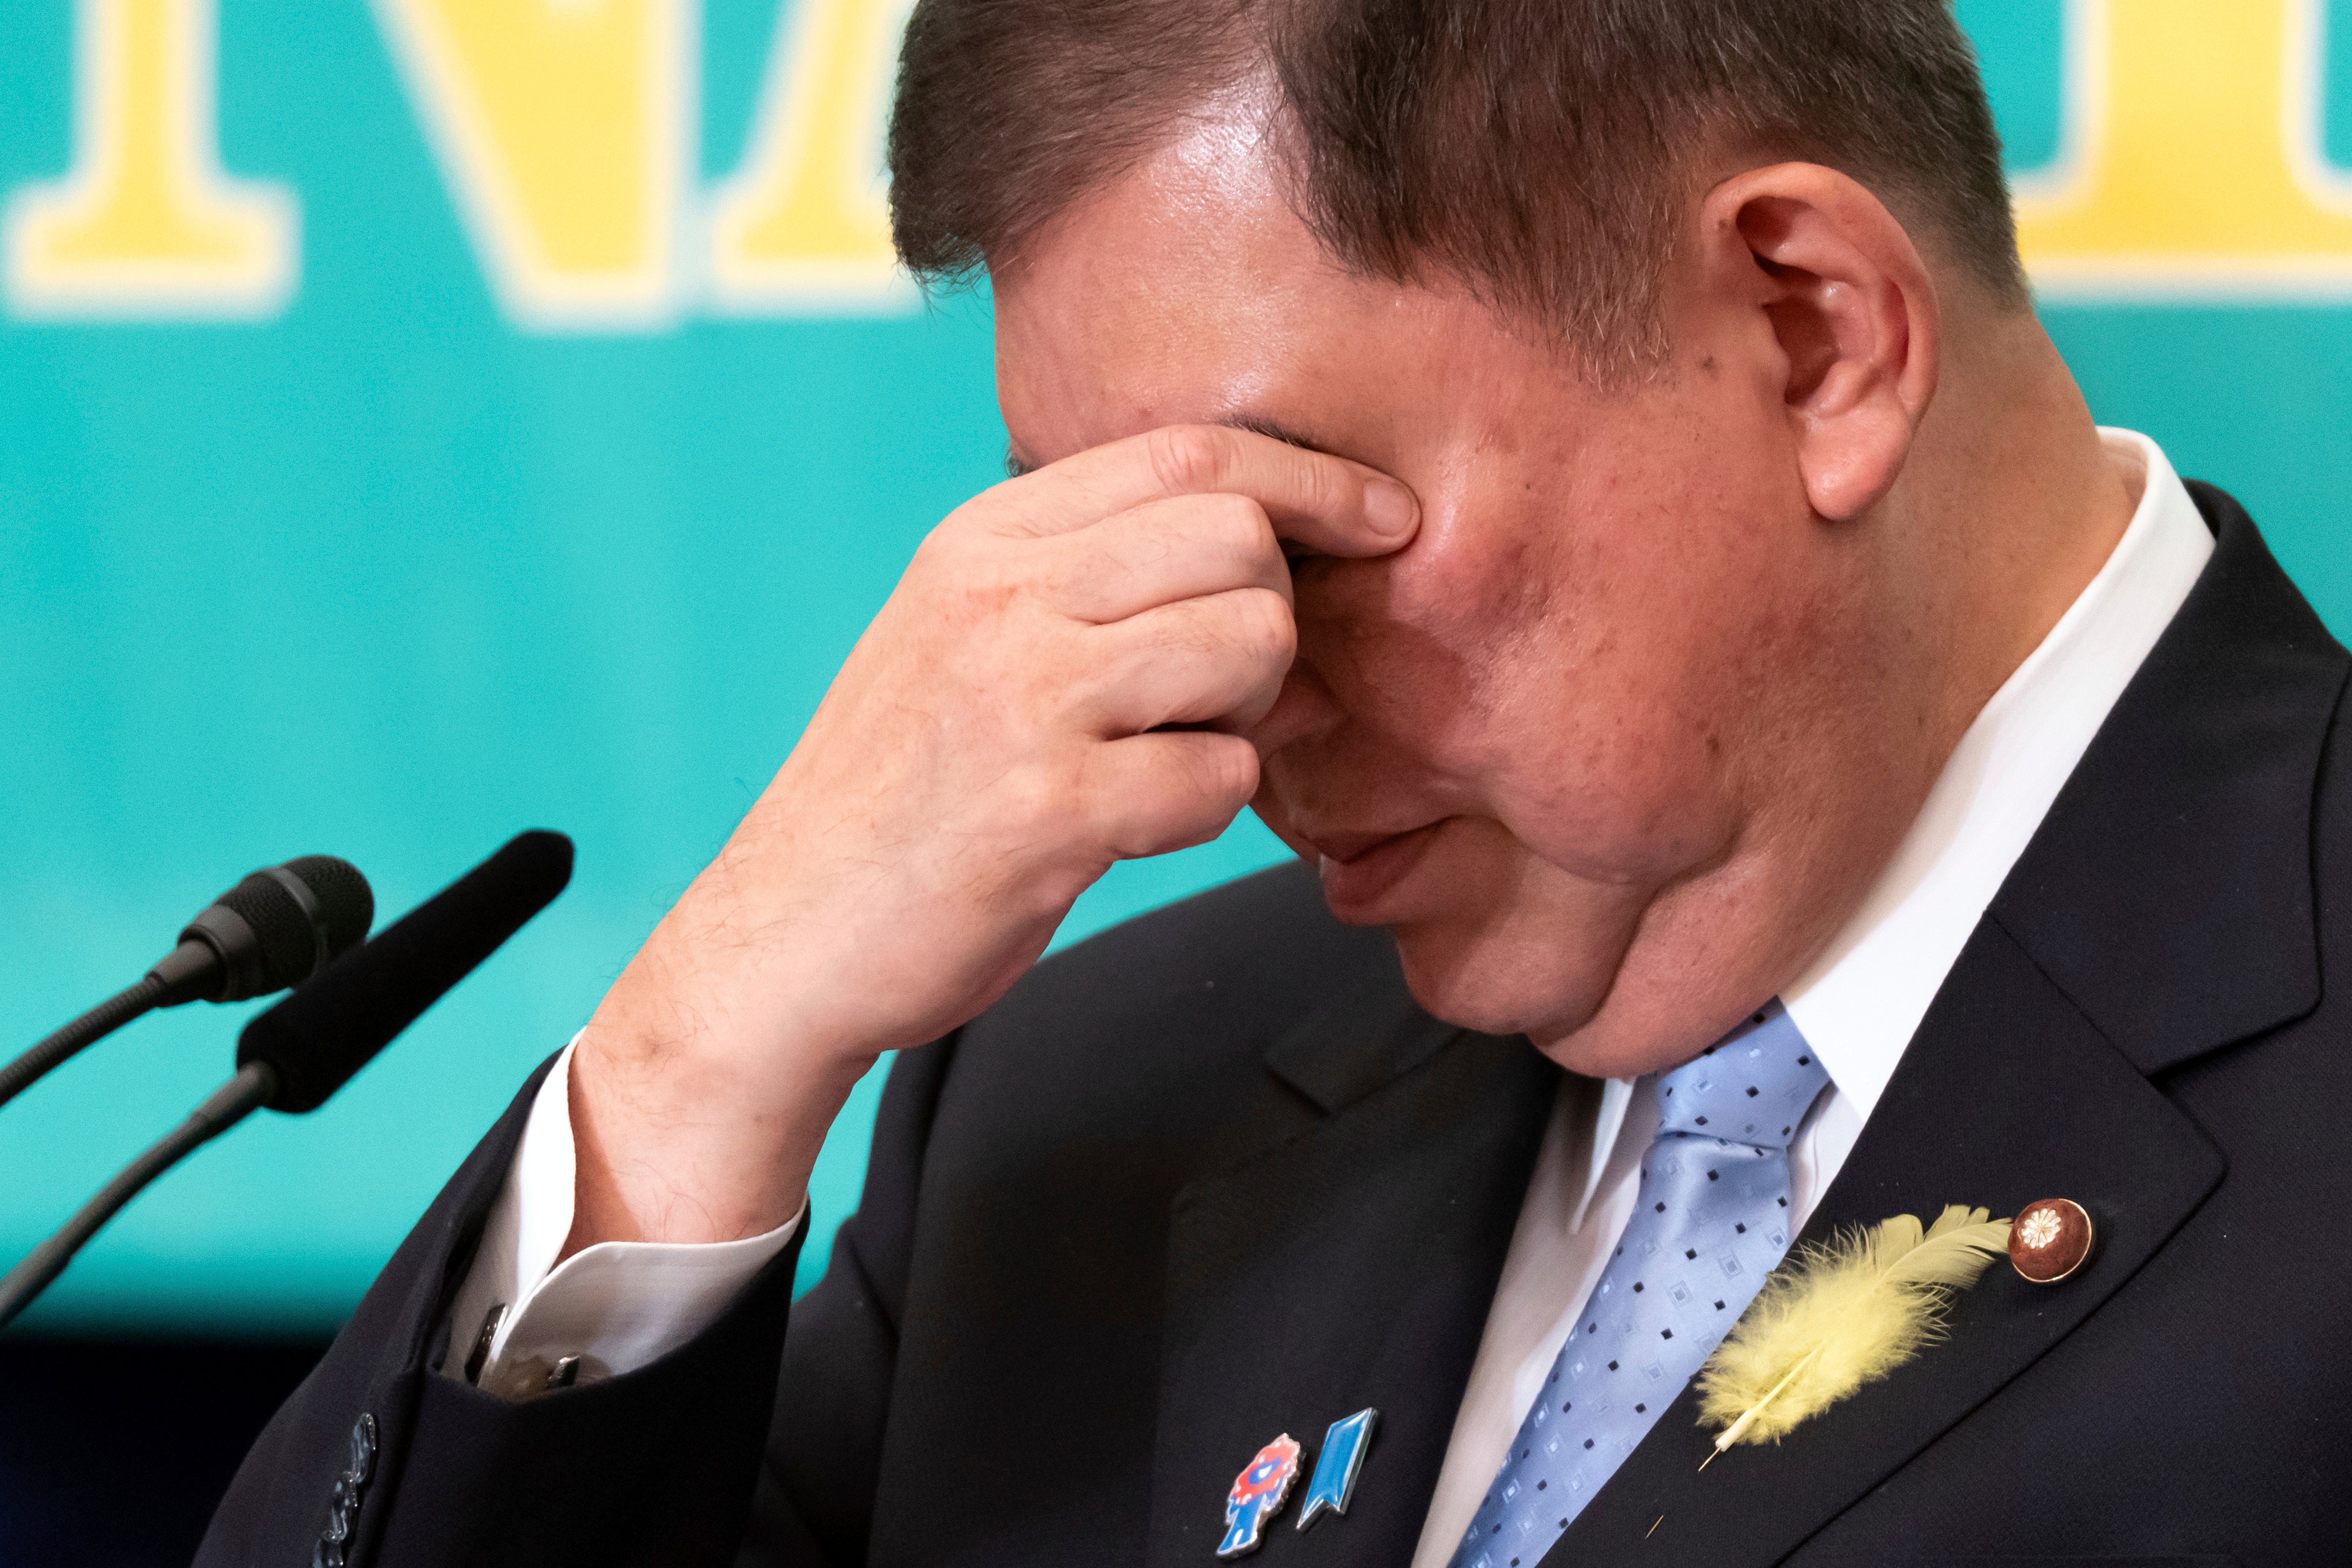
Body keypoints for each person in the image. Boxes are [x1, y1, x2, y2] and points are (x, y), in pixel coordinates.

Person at [202, 1, 2352, 1564]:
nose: (1218, 702)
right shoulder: (1081, 1115)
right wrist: (706, 1041)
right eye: (1115, 555)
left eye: (1295, 535)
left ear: (1812, 335)